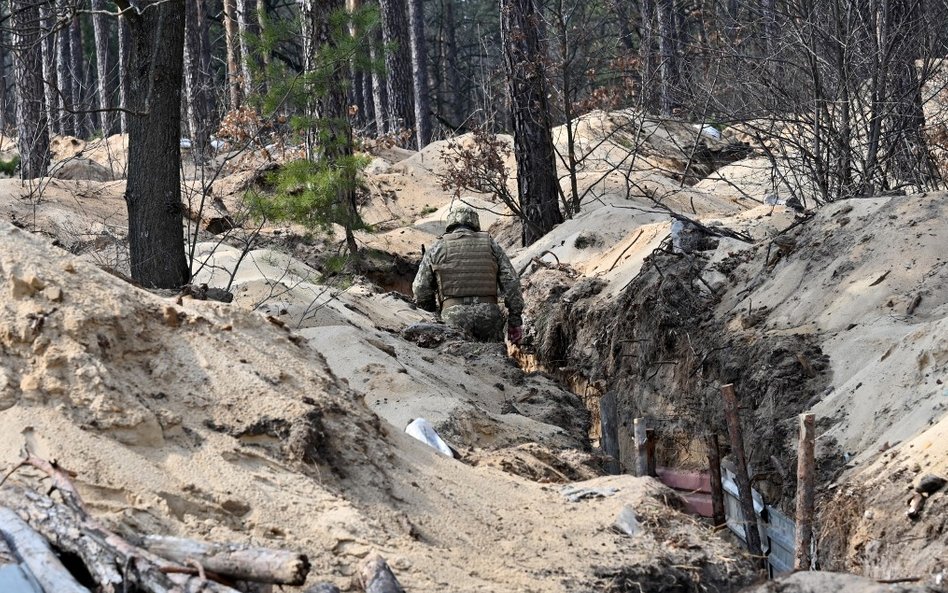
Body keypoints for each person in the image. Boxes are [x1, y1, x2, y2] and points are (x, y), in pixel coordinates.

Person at [412, 204, 524, 343]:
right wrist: (515, 320)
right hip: (489, 316)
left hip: (453, 316)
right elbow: (511, 283)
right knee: (495, 360)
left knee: (459, 361)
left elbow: (420, 288)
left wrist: (431, 312)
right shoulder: (491, 245)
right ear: (475, 222)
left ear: (450, 223)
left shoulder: (437, 248)